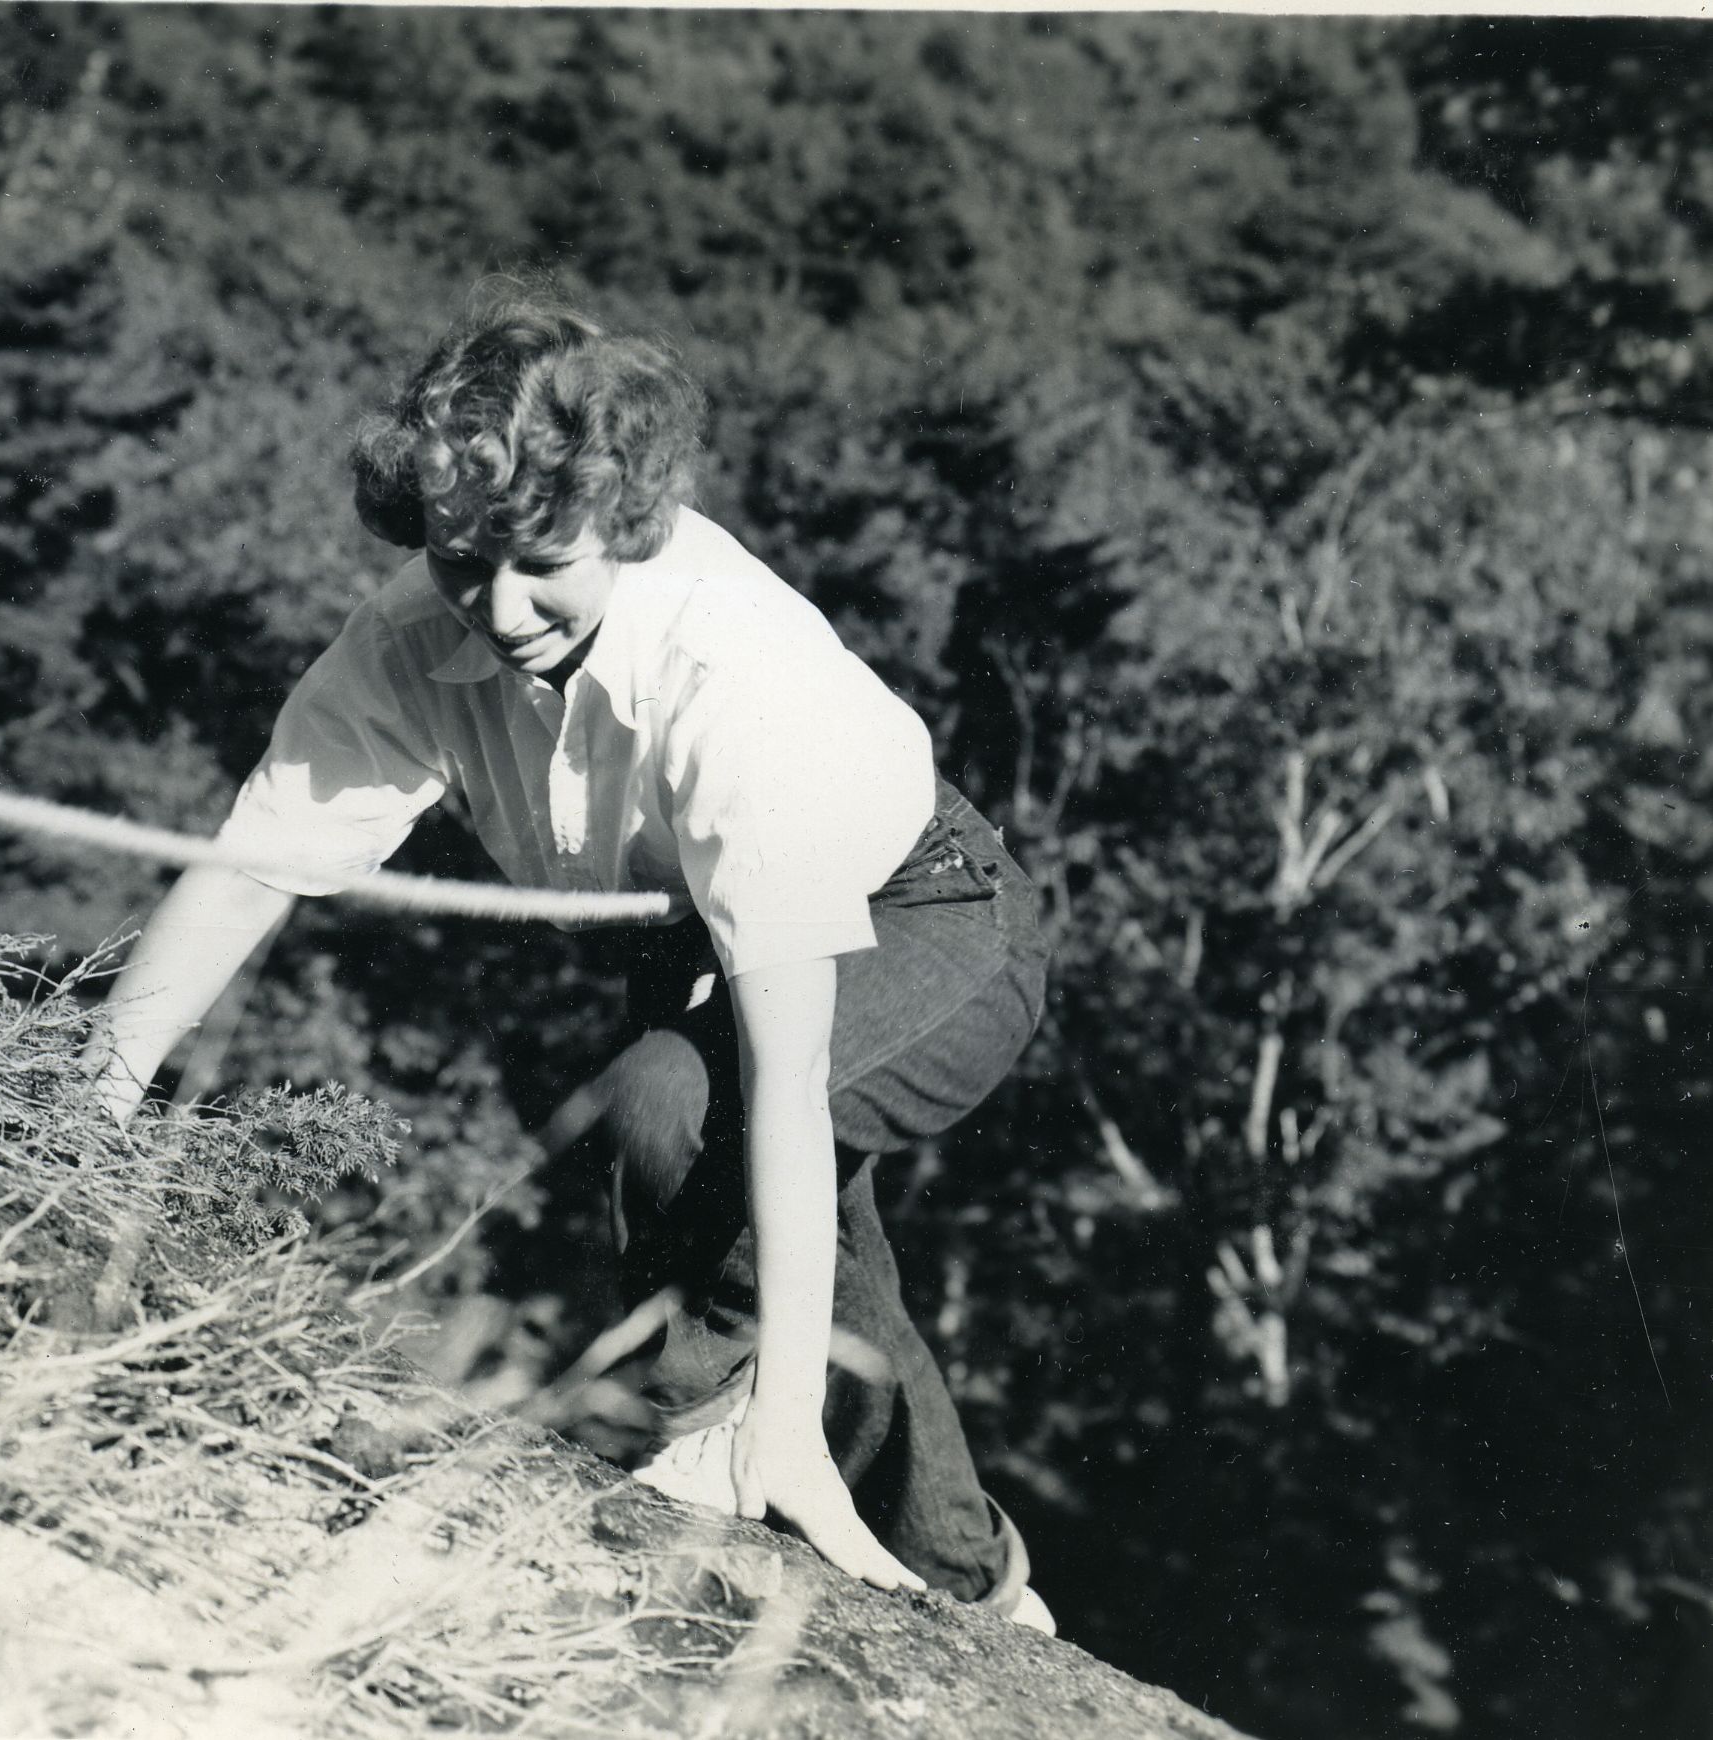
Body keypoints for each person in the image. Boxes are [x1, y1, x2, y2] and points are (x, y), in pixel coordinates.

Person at [85, 285, 1054, 1630]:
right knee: (765, 1214)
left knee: (677, 1110)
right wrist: (92, 1103)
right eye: (462, 559)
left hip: (934, 913)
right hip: (695, 931)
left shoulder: (733, 677)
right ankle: (967, 1579)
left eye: (542, 559)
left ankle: (751, 1443)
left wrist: (766, 1409)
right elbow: (252, 866)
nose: (501, 604)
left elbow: (784, 1085)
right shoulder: (417, 633)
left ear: (627, 514)